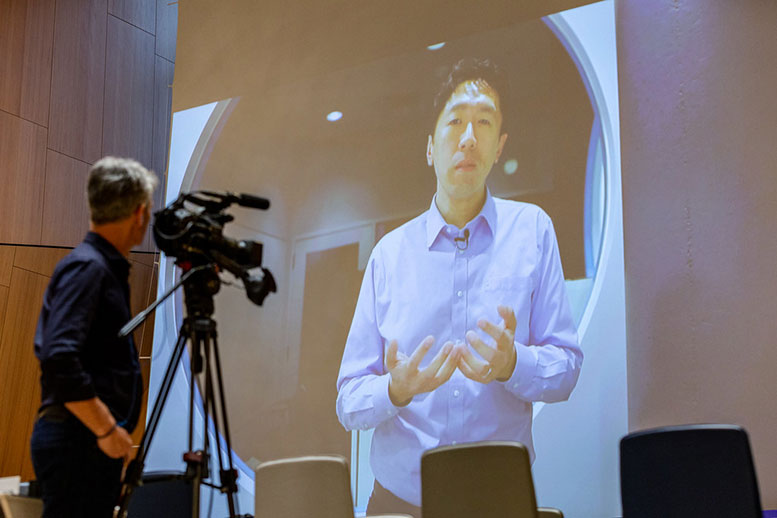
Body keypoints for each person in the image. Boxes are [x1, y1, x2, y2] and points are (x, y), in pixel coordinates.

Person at [335, 58, 583, 516]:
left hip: (499, 498)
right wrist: (396, 389)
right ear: (430, 147)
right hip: (401, 503)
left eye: (484, 122)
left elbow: (566, 368)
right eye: (455, 121)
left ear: (498, 145)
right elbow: (348, 400)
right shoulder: (389, 256)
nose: (468, 136)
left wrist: (514, 363)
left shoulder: (532, 232)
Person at [30, 157, 158, 518]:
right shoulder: (89, 267)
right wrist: (107, 431)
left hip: (84, 443)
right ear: (139, 213)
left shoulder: (96, 267)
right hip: (80, 442)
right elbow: (59, 357)